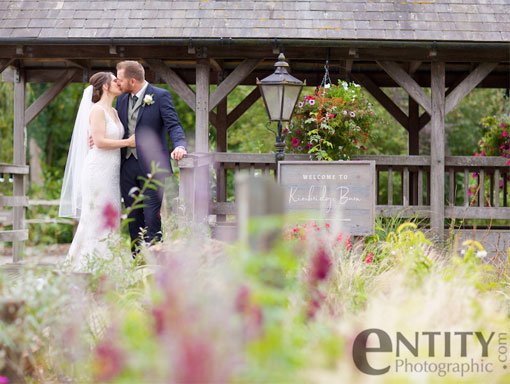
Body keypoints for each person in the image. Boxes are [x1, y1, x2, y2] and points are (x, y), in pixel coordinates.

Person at [59, 72, 135, 270]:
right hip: (97, 172)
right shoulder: (96, 110)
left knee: (111, 217)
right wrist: (128, 142)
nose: (119, 83)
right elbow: (100, 142)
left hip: (111, 173)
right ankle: (87, 266)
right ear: (105, 87)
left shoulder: (115, 112)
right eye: (115, 80)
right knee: (95, 218)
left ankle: (109, 266)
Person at [114, 61, 187, 252]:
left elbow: (173, 125)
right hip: (127, 165)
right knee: (133, 217)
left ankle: (156, 265)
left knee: (151, 215)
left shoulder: (161, 96)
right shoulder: (121, 100)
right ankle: (137, 263)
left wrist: (180, 145)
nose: (117, 83)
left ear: (132, 80)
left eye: (120, 79)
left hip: (154, 167)